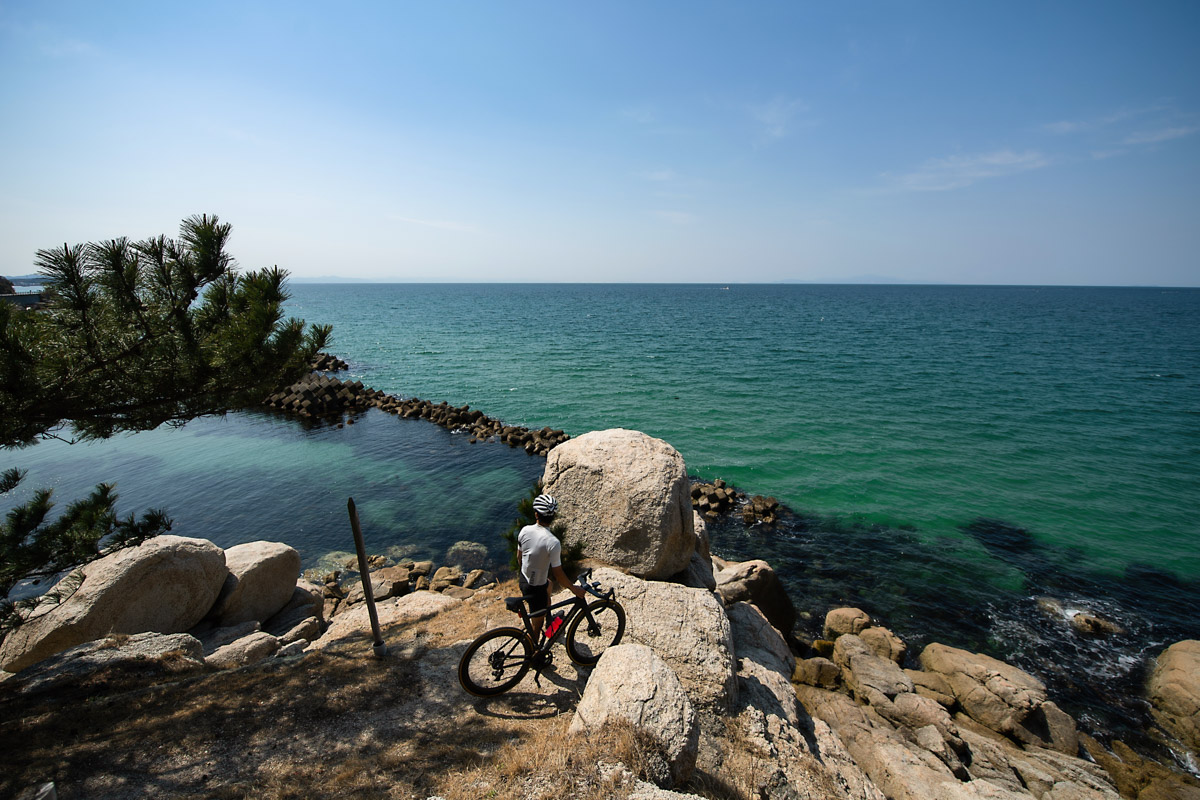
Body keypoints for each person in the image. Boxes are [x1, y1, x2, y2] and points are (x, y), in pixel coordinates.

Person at [516, 493, 586, 638]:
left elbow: (519, 557)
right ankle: (533, 654)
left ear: (536, 514)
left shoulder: (525, 530)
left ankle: (549, 619)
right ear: (553, 517)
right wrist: (574, 589)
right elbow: (559, 575)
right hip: (535, 588)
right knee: (536, 627)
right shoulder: (552, 542)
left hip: (524, 578)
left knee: (548, 585)